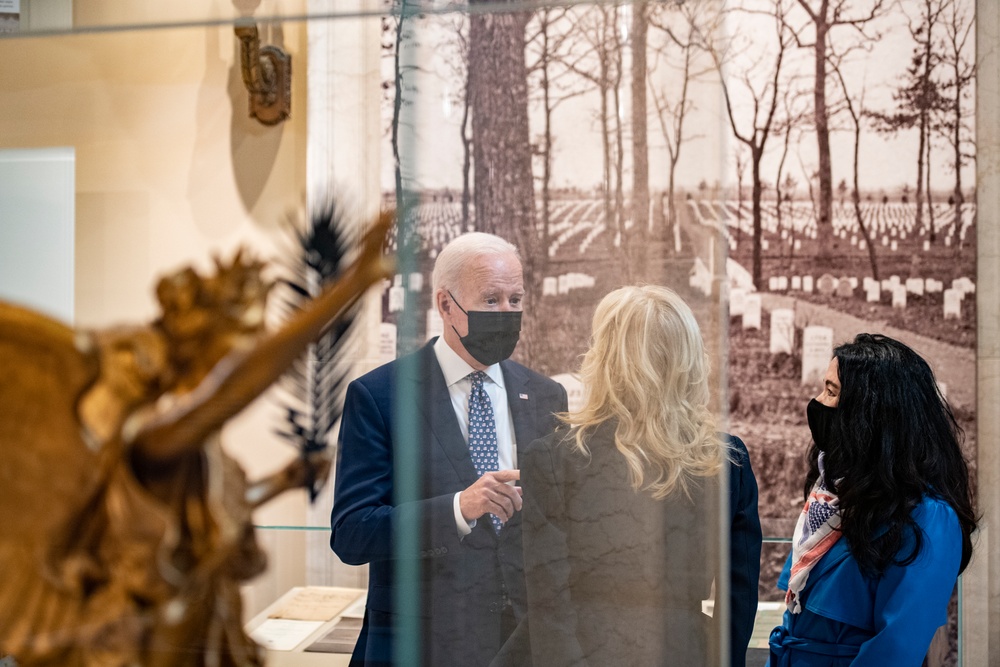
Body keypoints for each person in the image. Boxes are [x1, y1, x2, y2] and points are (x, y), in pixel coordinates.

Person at [0, 212, 393, 666]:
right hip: (147, 646)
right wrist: (347, 289)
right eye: (246, 343)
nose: (257, 349)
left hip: (200, 630)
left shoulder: (198, 451)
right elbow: (233, 389)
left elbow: (204, 519)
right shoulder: (154, 440)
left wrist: (281, 483)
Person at [330, 232, 568, 667]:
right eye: (491, 300)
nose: (507, 313)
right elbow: (352, 533)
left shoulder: (546, 395)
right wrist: (459, 508)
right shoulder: (380, 397)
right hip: (420, 641)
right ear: (445, 305)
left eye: (516, 300)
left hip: (522, 642)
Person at [518, 285, 762, 666]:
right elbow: (739, 597)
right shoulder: (726, 461)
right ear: (688, 359)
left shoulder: (553, 458)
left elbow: (549, 602)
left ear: (604, 359)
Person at [767, 333, 978, 666]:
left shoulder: (929, 518)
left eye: (832, 391)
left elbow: (894, 650)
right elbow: (796, 618)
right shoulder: (836, 494)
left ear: (870, 412)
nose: (819, 401)